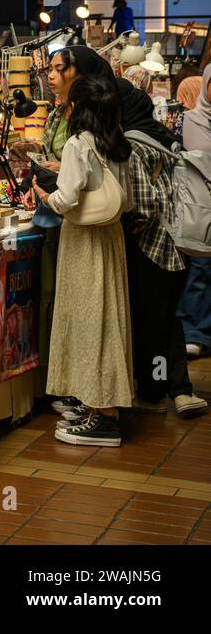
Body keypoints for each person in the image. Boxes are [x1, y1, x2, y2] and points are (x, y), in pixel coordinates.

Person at [32, 75, 134, 446]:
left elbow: (66, 201)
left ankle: (104, 417)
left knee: (89, 321)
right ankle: (100, 403)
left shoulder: (78, 144)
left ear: (76, 108)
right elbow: (124, 197)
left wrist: (44, 194)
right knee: (108, 319)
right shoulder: (117, 142)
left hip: (84, 240)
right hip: (110, 238)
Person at [116, 79, 207, 418]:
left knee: (152, 324)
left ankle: (154, 390)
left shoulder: (131, 144)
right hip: (180, 244)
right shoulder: (165, 137)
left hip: (150, 248)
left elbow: (143, 207)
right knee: (171, 319)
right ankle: (180, 388)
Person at [177, 68, 211, 358]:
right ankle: (194, 331)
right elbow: (201, 154)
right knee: (201, 265)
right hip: (202, 203)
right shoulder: (193, 118)